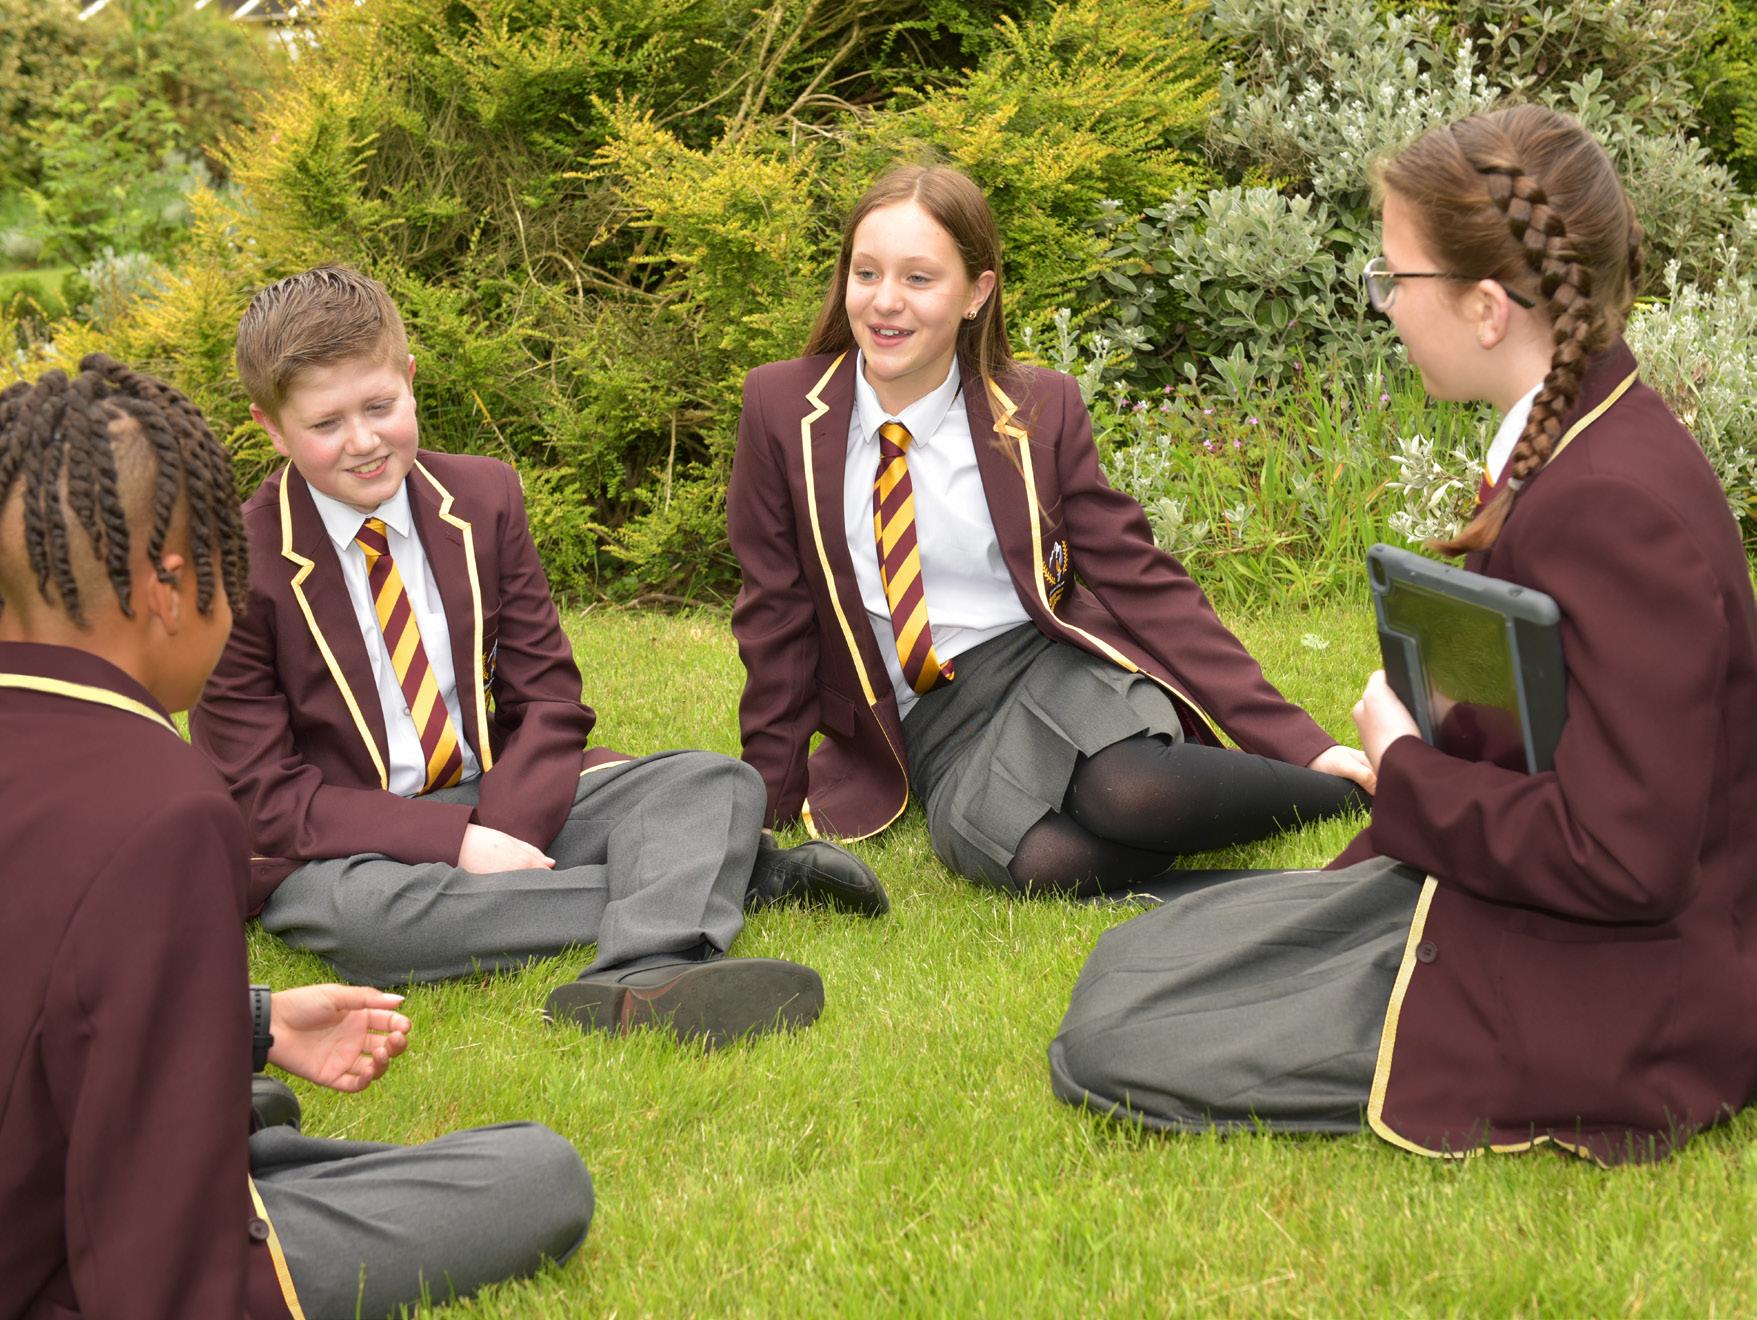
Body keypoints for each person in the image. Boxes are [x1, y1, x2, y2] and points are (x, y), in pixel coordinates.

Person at [1049, 105, 1757, 1164]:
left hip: (1625, 1001)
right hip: (1548, 916)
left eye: (1393, 278)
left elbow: (1625, 859)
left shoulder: (1612, 504)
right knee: (1146, 956)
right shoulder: (1581, 433)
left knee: (1119, 1041)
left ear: (1484, 308)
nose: (1382, 304)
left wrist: (1403, 761)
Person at [0, 356, 593, 1318]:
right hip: (60, 1253)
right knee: (534, 1176)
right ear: (169, 590)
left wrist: (249, 1023)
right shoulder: (163, 806)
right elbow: (153, 1249)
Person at [191, 266, 887, 1046]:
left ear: (410, 380)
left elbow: (550, 700)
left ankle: (641, 971)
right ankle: (711, 880)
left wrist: (502, 832)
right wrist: (456, 846)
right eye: (325, 423)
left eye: (379, 407)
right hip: (344, 847)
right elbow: (265, 797)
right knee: (371, 923)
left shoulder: (483, 498)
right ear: (271, 427)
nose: (362, 442)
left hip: (500, 794)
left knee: (713, 780)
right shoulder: (234, 567)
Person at [727, 165, 1372, 897]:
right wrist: (761, 817)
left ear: (977, 292)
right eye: (866, 272)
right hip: (927, 725)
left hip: (1043, 661)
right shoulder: (782, 410)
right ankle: (1219, 846)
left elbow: (1141, 580)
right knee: (1045, 865)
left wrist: (1302, 744)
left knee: (1133, 793)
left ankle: (1346, 794)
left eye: (918, 278)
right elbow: (775, 620)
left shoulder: (1039, 408)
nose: (884, 301)